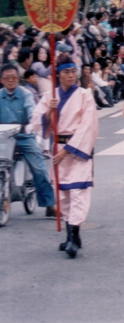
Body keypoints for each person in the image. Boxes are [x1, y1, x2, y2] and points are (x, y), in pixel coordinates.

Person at [30, 54, 98, 258]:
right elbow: (38, 122)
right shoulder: (50, 96)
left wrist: (67, 150)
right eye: (66, 72)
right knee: (64, 195)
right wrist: (49, 113)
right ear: (58, 74)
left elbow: (88, 126)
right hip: (58, 149)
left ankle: (74, 235)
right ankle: (72, 236)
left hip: (77, 151)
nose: (70, 75)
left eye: (72, 71)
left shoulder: (85, 95)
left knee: (78, 192)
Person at [0, 64, 56, 217]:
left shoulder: (26, 94)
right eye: (6, 77)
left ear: (18, 78)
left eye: (13, 77)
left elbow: (33, 112)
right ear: (1, 80)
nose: (10, 80)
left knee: (38, 168)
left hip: (24, 136)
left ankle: (50, 204)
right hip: (4, 138)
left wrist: (31, 125)